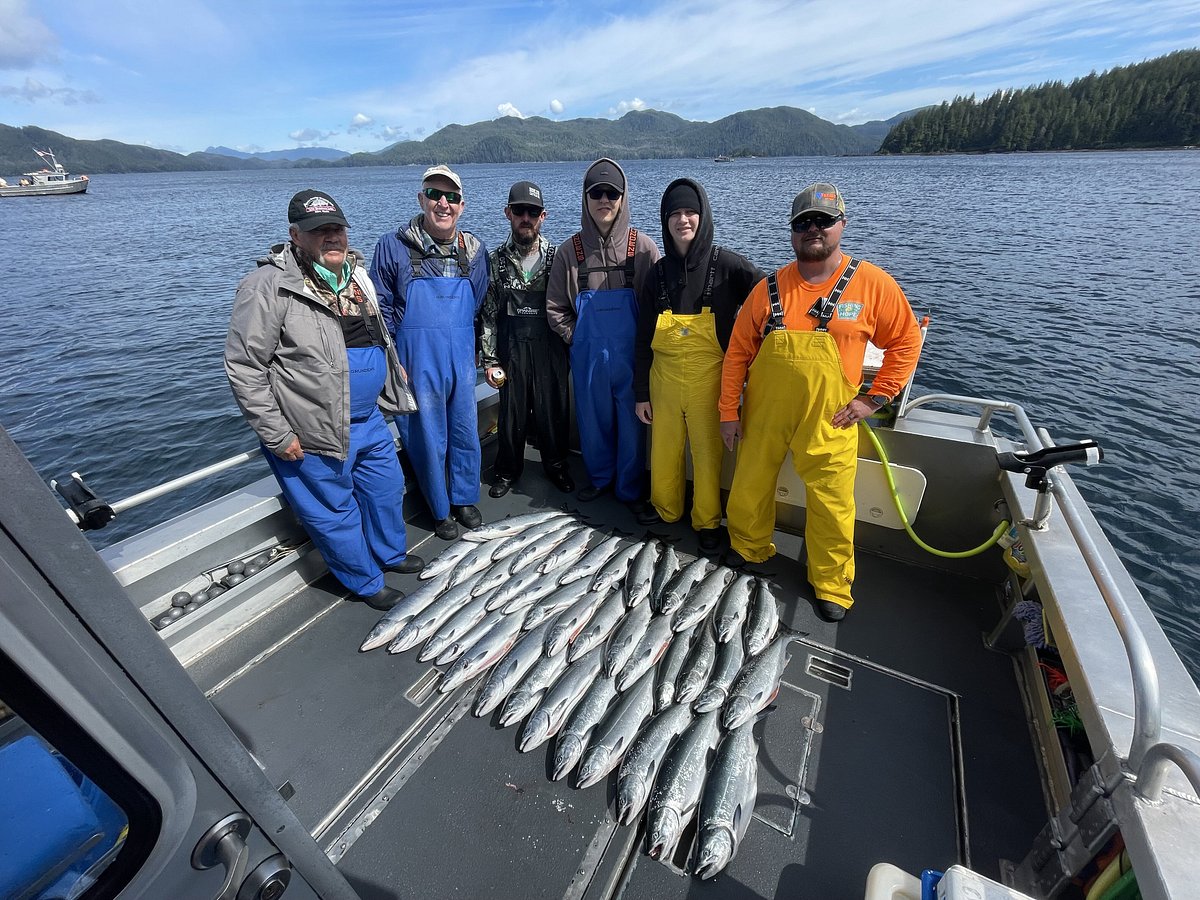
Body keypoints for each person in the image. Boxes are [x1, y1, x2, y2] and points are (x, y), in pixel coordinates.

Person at [719, 183, 922, 622]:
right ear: (792, 232)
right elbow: (737, 352)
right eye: (803, 223)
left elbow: (906, 343)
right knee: (750, 486)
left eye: (823, 221)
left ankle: (831, 584)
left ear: (841, 226)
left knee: (833, 504)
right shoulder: (767, 288)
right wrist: (728, 412)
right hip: (764, 414)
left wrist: (874, 399)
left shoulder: (873, 285)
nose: (813, 229)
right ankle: (748, 548)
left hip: (832, 419)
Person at [225, 189, 423, 612]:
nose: (331, 238)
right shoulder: (268, 286)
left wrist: (393, 369)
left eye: (337, 229)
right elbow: (245, 366)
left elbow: (375, 334)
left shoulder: (356, 274)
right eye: (319, 232)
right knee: (334, 510)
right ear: (296, 235)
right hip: (311, 431)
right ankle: (365, 581)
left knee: (386, 489)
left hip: (369, 419)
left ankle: (390, 554)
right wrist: (277, 434)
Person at [634, 178, 763, 550]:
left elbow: (771, 299)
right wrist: (641, 393)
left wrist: (752, 344)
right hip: (663, 380)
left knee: (707, 453)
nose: (683, 220)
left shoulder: (729, 265)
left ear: (703, 215)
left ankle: (708, 522)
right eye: (674, 213)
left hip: (711, 380)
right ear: (665, 221)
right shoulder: (656, 273)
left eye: (690, 211)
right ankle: (665, 508)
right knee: (665, 448)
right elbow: (643, 337)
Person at [370, 165, 490, 540]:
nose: (443, 203)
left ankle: (464, 498)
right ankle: (440, 509)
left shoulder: (475, 250)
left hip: (460, 357)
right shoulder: (393, 246)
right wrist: (393, 364)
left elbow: (479, 303)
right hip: (416, 362)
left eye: (451, 197)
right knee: (427, 436)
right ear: (421, 199)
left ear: (462, 205)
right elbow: (380, 311)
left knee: (464, 430)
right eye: (435, 194)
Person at [546, 158, 660, 507]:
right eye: (597, 192)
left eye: (612, 192)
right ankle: (599, 479)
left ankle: (629, 488)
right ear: (586, 198)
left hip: (632, 360)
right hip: (589, 359)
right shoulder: (570, 252)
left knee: (632, 427)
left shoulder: (644, 249)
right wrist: (577, 338)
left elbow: (658, 312)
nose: (604, 199)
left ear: (623, 198)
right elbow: (554, 309)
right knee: (592, 425)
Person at [480, 181, 575, 498]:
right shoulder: (494, 261)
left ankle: (557, 466)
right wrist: (491, 360)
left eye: (532, 212)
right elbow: (490, 314)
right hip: (512, 353)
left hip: (550, 352)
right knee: (511, 416)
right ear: (508, 213)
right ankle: (507, 470)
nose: (526, 218)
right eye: (519, 211)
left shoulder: (558, 258)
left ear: (543, 216)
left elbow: (570, 308)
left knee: (553, 413)